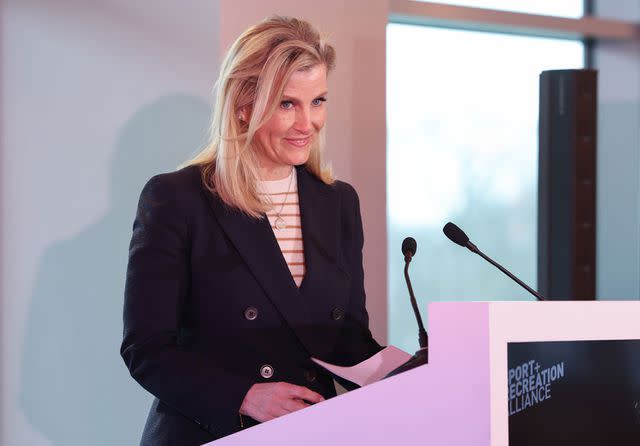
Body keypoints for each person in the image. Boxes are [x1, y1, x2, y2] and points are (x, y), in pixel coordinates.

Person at [121, 16, 382, 445]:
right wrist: (244, 395)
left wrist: (413, 372)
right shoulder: (178, 198)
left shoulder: (338, 202)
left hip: (308, 433)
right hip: (212, 433)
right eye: (287, 104)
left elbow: (345, 340)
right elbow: (146, 348)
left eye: (317, 101)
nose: (307, 123)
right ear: (244, 105)